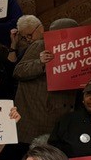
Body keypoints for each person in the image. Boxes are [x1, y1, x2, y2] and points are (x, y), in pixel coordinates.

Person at [13, 16, 77, 144]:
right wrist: (40, 63)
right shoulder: (40, 45)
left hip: (61, 115)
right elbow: (19, 71)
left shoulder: (78, 49)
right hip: (38, 117)